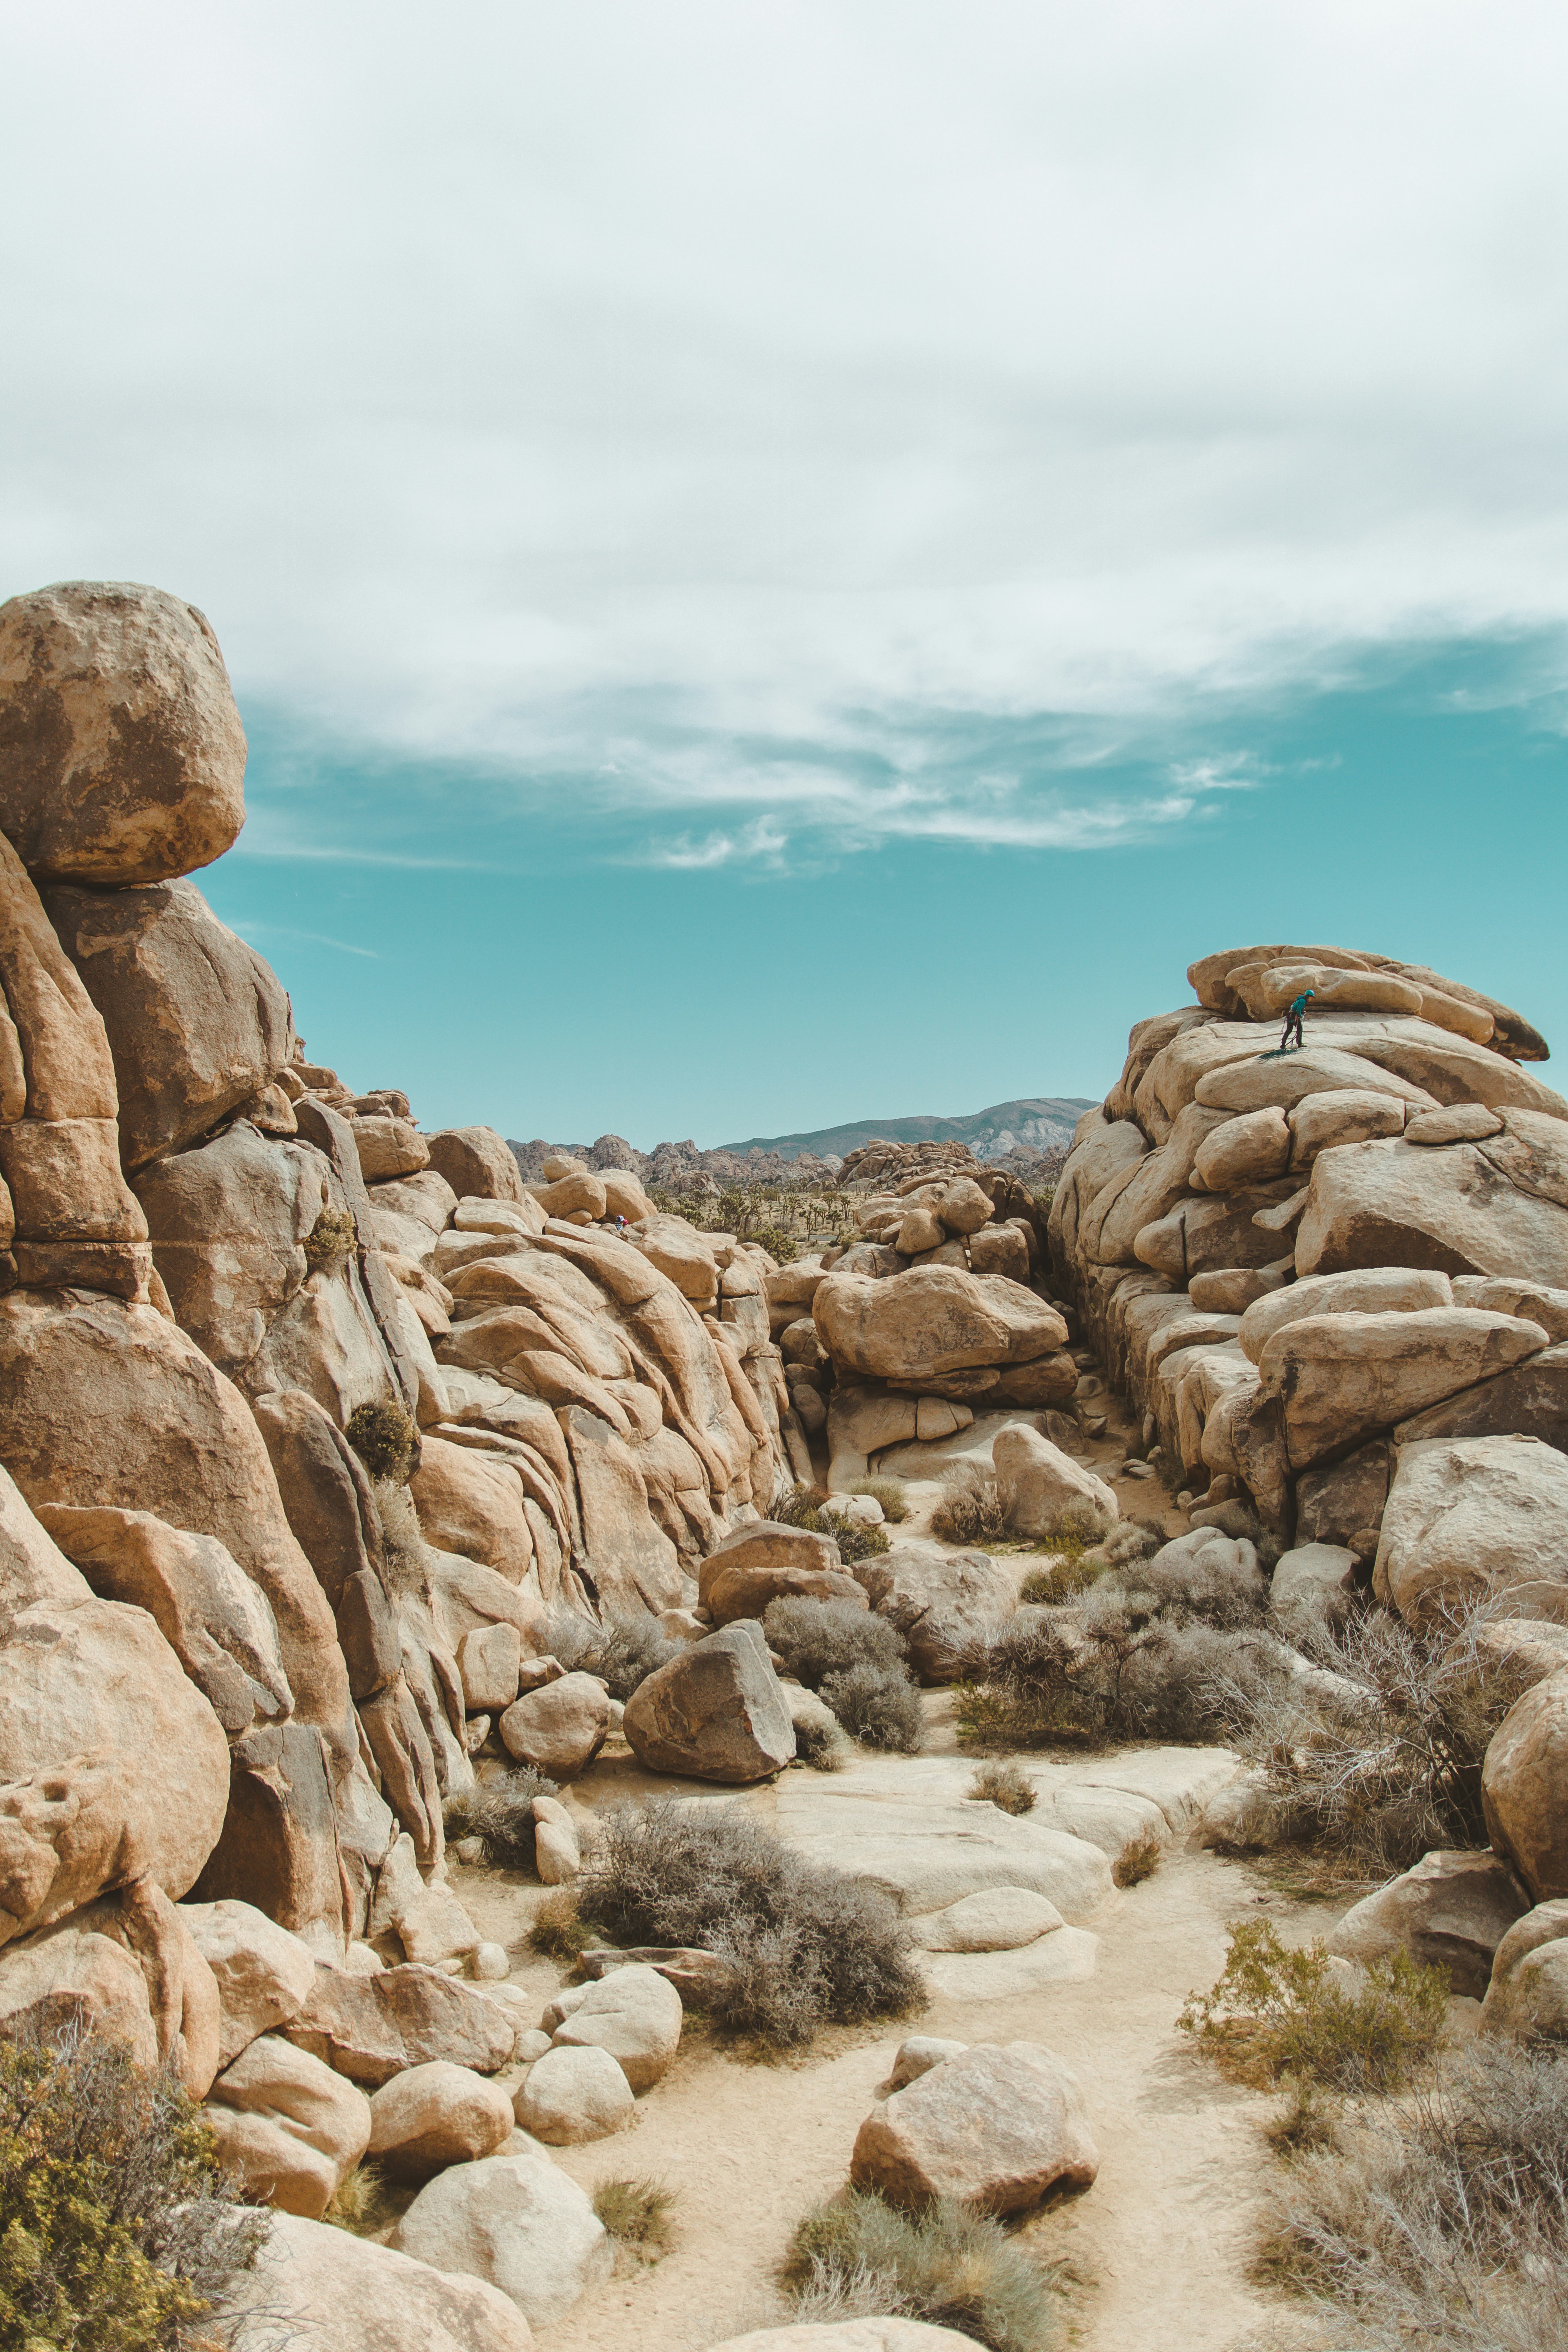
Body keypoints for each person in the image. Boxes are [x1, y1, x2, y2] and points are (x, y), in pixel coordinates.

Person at [1279, 987, 1314, 1052]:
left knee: (1289, 1030)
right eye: (1312, 997)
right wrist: (1301, 1016)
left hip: (1290, 1016)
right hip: (1294, 1016)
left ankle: (1283, 1045)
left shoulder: (1301, 999)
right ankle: (1299, 1044)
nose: (1312, 999)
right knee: (1300, 1029)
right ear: (1309, 996)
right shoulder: (1304, 1001)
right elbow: (1298, 1010)